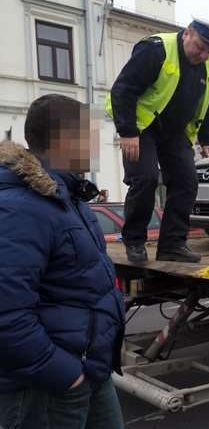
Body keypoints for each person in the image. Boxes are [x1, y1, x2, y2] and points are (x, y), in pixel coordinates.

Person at [0, 94, 125, 428]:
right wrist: (66, 376)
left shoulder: (69, 199)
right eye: (91, 135)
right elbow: (6, 314)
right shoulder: (20, 206)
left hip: (90, 370)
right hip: (49, 385)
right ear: (66, 139)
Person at [105, 18, 209, 263]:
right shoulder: (156, 49)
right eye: (200, 47)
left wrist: (205, 138)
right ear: (187, 34)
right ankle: (135, 241)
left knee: (186, 182)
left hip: (175, 132)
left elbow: (206, 106)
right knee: (146, 179)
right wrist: (128, 131)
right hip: (142, 127)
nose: (204, 55)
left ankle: (172, 245)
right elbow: (123, 89)